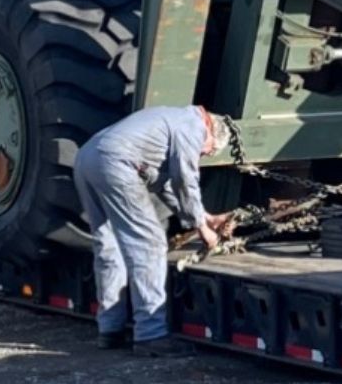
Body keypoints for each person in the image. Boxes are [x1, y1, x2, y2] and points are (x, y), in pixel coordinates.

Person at [73, 105, 237, 356]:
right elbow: (186, 179)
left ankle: (110, 329)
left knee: (110, 246)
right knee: (148, 245)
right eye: (210, 151)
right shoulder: (193, 126)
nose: (204, 155)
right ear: (212, 133)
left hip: (87, 158)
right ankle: (152, 335)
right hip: (117, 162)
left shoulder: (170, 122)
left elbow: (167, 186)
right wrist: (203, 229)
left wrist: (203, 217)